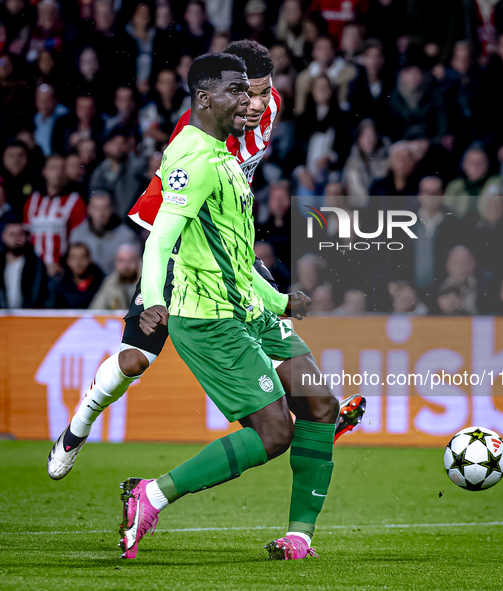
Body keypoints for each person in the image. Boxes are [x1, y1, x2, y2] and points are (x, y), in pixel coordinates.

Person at [47, 43, 364, 493]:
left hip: (228, 241)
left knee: (267, 317)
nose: (253, 105)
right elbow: (164, 226)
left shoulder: (268, 106)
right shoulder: (194, 136)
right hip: (180, 243)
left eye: (262, 93)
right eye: (244, 94)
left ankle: (314, 414)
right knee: (135, 360)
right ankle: (80, 424)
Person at [121, 52, 337, 562]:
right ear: (205, 99)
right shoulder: (192, 159)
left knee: (320, 404)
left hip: (251, 309)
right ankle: (150, 495)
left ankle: (299, 538)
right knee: (275, 432)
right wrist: (153, 299)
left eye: (253, 92)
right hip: (212, 318)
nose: (250, 102)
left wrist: (280, 299)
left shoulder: (226, 157)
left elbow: (237, 257)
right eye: (238, 93)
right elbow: (159, 240)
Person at [23, 155, 86, 277]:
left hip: (61, 268)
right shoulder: (32, 200)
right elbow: (26, 233)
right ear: (44, 171)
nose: (57, 173)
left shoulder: (75, 200)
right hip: (33, 267)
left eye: (61, 169)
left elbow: (78, 238)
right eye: (53, 168)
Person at [69, 191, 138, 275]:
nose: (100, 213)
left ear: (113, 209)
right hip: (84, 284)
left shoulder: (127, 236)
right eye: (95, 208)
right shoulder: (77, 234)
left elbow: (133, 269)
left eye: (105, 208)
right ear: (88, 209)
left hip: (116, 285)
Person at [0, 222, 49, 309]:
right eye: (12, 234)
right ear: (3, 236)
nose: (16, 238)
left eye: (20, 234)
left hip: (28, 317)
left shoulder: (36, 264)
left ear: (27, 237)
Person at [50, 242, 104, 309]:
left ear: (89, 259)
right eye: (73, 258)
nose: (78, 262)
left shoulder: (102, 283)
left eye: (82, 257)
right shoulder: (59, 283)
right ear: (67, 260)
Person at [90, 243, 141, 310]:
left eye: (131, 260)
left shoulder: (149, 283)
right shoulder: (110, 283)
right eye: (121, 261)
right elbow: (95, 311)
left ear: (138, 262)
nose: (126, 265)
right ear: (115, 263)